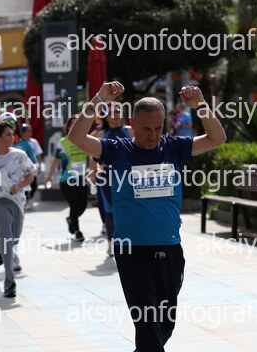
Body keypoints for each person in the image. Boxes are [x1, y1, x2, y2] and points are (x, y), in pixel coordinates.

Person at [68, 82, 226, 352]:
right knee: (146, 323)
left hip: (169, 248)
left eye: (158, 128)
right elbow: (77, 137)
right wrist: (98, 100)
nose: (153, 135)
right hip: (132, 251)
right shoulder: (117, 150)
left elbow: (217, 138)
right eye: (146, 129)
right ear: (132, 124)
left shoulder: (174, 147)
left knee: (164, 325)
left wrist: (201, 106)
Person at [0, 121, 36, 298]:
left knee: (14, 238)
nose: (12, 138)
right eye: (8, 135)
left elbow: (30, 176)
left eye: (12, 134)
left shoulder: (19, 155)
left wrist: (18, 186)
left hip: (17, 200)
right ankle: (9, 282)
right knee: (7, 238)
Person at [88, 103, 134, 256]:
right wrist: (93, 174)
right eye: (112, 112)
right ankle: (111, 243)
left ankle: (129, 241)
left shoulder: (130, 130)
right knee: (110, 210)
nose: (115, 115)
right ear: (105, 117)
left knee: (129, 209)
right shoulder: (100, 134)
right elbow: (92, 156)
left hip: (130, 175)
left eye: (118, 111)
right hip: (108, 176)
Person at [45, 116, 90, 242]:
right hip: (67, 180)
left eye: (78, 124)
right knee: (74, 206)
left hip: (82, 178)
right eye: (72, 124)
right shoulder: (63, 142)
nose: (75, 126)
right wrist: (49, 177)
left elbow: (90, 158)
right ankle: (77, 231)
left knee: (83, 206)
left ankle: (71, 219)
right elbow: (56, 160)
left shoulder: (86, 140)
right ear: (68, 127)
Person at [19, 123, 43, 211]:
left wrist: (40, 166)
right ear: (22, 132)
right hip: (22, 170)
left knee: (33, 185)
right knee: (24, 186)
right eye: (28, 131)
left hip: (33, 168)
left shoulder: (34, 142)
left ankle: (30, 199)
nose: (30, 133)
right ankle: (24, 202)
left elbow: (38, 155)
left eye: (30, 131)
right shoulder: (19, 143)